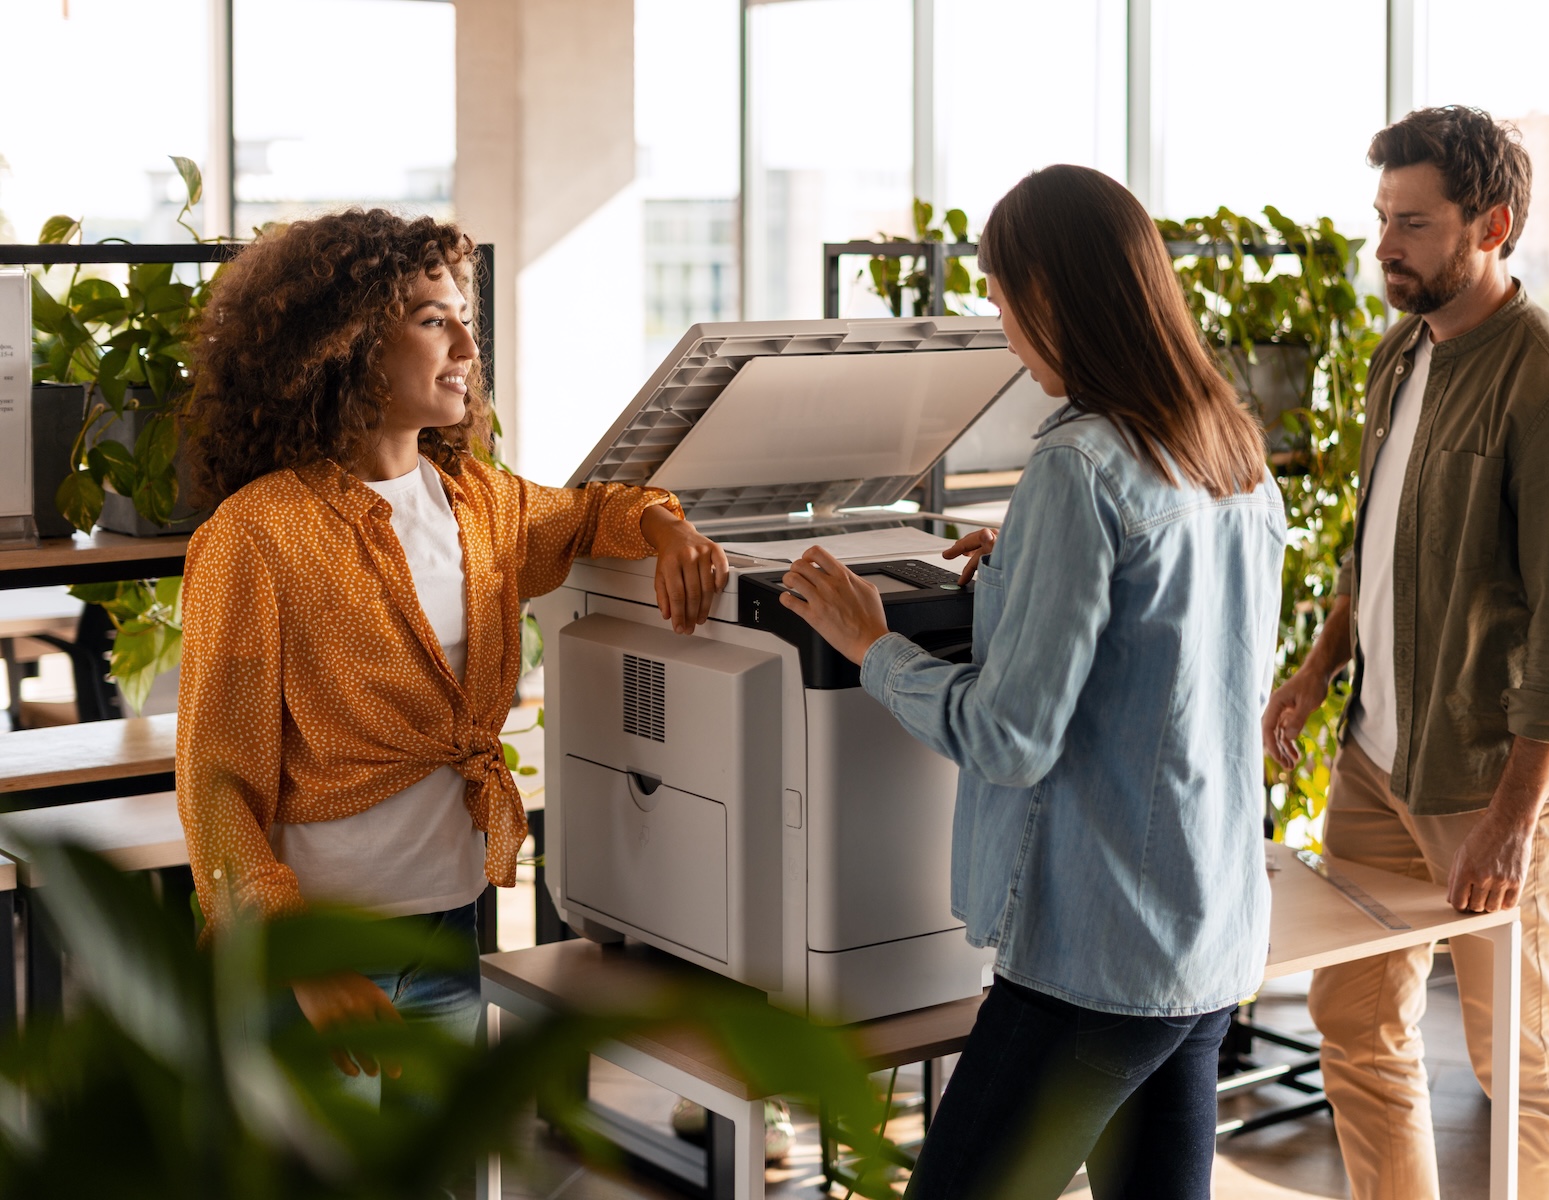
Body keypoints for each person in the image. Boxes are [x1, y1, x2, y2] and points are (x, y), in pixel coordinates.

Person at [779, 164, 1286, 1200]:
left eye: (1003, 297)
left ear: (1052, 297)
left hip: (1091, 959)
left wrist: (871, 643)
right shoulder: (1227, 445)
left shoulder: (1078, 467)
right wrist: (1022, 562)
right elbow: (1176, 650)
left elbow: (1013, 737)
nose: (1000, 325)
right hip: (1208, 938)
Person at [175, 209, 727, 1086]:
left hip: (447, 925)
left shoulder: (483, 504)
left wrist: (665, 526)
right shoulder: (257, 536)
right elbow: (215, 789)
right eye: (437, 320)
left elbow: (590, 511)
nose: (470, 345)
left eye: (466, 316)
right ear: (350, 345)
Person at [1262, 107, 1549, 1199]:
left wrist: (1517, 822)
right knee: (1358, 1025)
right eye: (1382, 218)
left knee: (1517, 1051)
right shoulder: (1397, 355)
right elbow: (1373, 553)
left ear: (1494, 223)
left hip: (1491, 780)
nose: (1386, 245)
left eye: (1414, 223)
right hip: (1379, 761)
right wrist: (1316, 669)